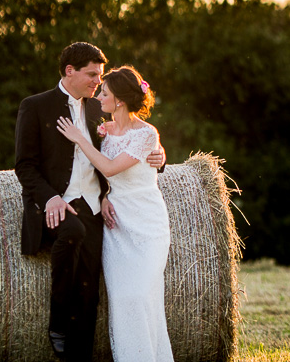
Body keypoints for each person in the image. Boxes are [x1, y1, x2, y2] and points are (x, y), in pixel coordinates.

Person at [15, 42, 166, 362]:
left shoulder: (100, 108)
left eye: (101, 77)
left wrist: (160, 155)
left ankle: (79, 356)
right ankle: (57, 324)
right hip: (59, 202)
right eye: (92, 74)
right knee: (72, 233)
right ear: (70, 71)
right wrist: (51, 198)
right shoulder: (35, 106)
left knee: (89, 290)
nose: (98, 83)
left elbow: (134, 136)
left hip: (98, 206)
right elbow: (25, 165)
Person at [57, 65, 174, 362]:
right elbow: (102, 176)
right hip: (116, 224)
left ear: (119, 100)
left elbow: (109, 167)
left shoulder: (147, 134)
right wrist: (105, 195)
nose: (99, 97)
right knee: (122, 300)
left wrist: (79, 138)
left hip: (147, 223)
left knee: (142, 295)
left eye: (105, 93)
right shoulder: (104, 131)